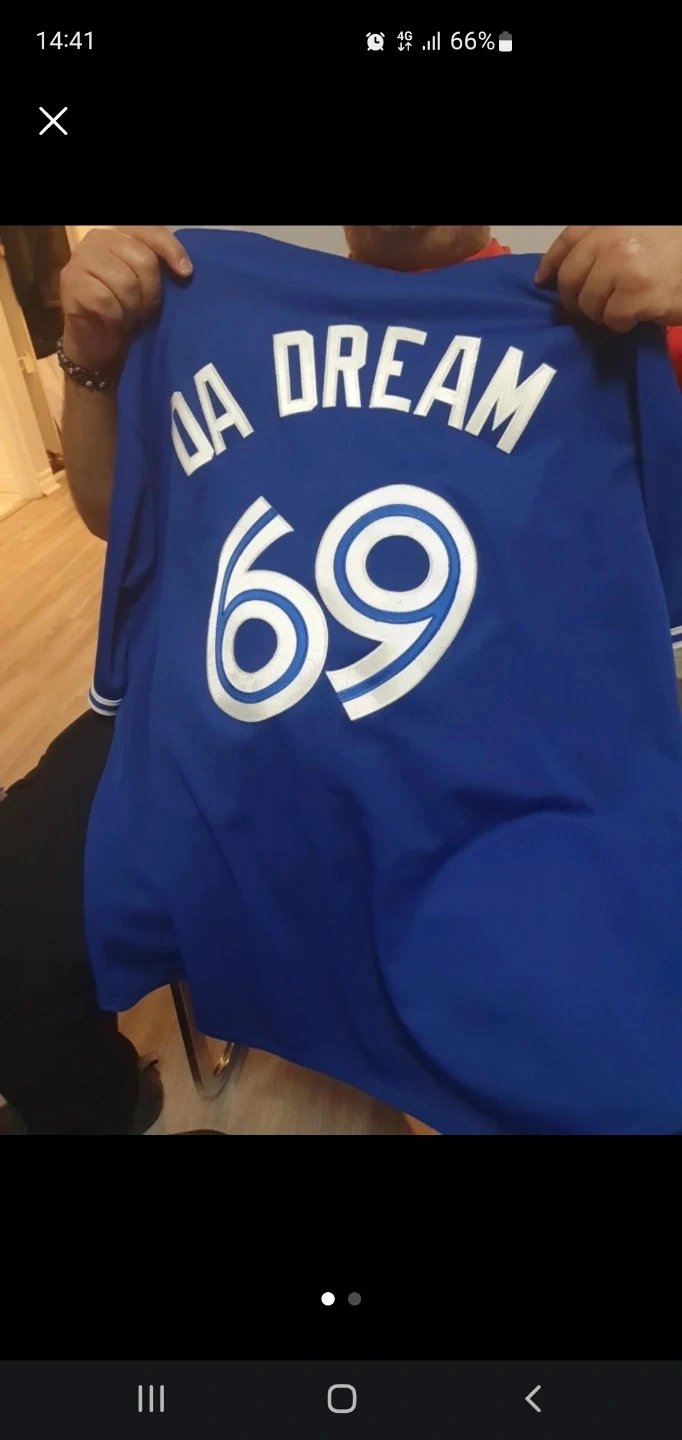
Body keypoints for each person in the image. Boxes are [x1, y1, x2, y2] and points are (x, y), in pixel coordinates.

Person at [2, 224, 682, 1137]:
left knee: (617, 1072)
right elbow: (109, 512)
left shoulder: (606, 306)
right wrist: (88, 357)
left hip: (504, 775)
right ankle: (109, 1109)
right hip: (213, 731)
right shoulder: (207, 302)